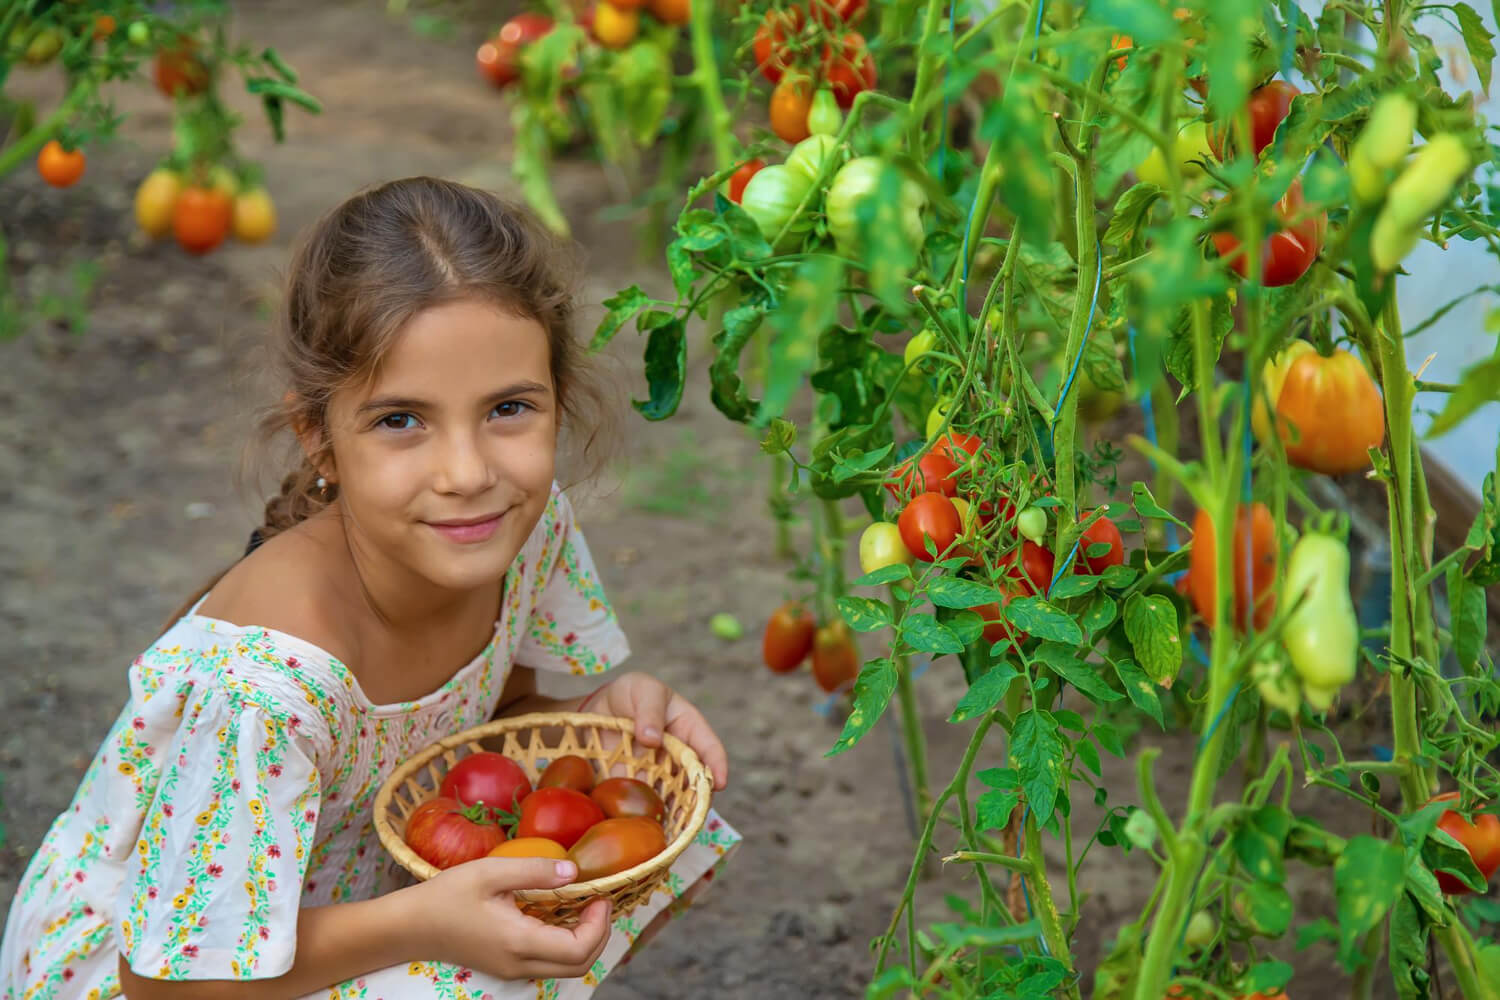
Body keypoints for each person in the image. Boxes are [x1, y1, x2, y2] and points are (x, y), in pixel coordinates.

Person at [0, 177, 740, 1000]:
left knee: (647, 846)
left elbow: (491, 734)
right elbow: (169, 982)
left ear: (559, 404)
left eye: (509, 409)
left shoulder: (527, 533)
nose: (468, 474)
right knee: (476, 980)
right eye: (401, 420)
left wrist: (592, 721)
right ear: (319, 437)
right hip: (154, 977)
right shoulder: (266, 689)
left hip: (327, 917)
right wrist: (425, 923)